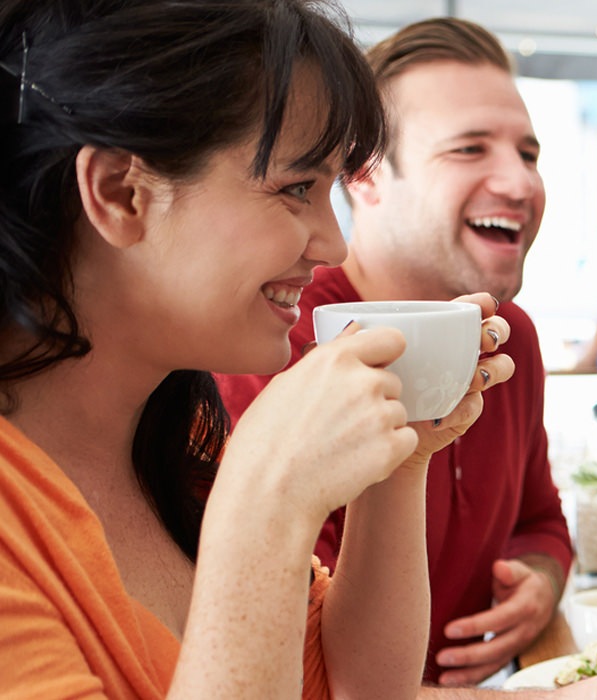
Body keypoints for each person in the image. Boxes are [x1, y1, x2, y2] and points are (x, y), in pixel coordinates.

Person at [0, 0, 513, 696]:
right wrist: (266, 504)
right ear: (121, 194)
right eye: (297, 187)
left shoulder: (182, 445)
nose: (332, 244)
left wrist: (406, 452)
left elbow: (358, 690)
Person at [213, 17, 590, 691]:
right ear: (364, 176)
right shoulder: (274, 348)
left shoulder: (513, 338)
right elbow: (312, 674)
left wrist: (539, 581)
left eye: (528, 154)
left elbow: (542, 521)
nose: (522, 183)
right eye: (470, 149)